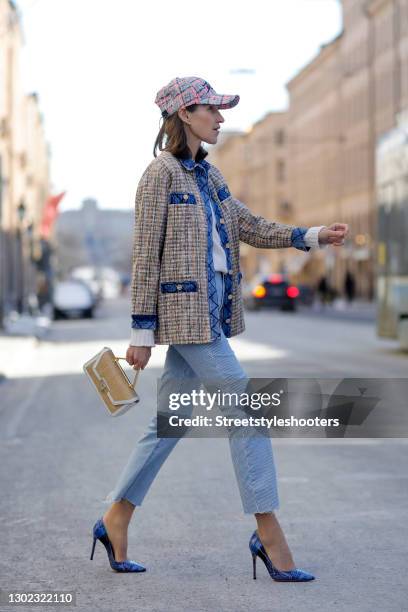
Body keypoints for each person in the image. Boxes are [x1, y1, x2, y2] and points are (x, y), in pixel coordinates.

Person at [90, 76, 349, 580]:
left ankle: (115, 517)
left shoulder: (210, 179)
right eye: (212, 109)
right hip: (187, 318)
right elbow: (146, 257)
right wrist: (141, 332)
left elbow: (247, 225)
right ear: (185, 114)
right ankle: (269, 533)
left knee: (171, 421)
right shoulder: (158, 176)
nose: (221, 118)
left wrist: (311, 235)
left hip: (211, 313)